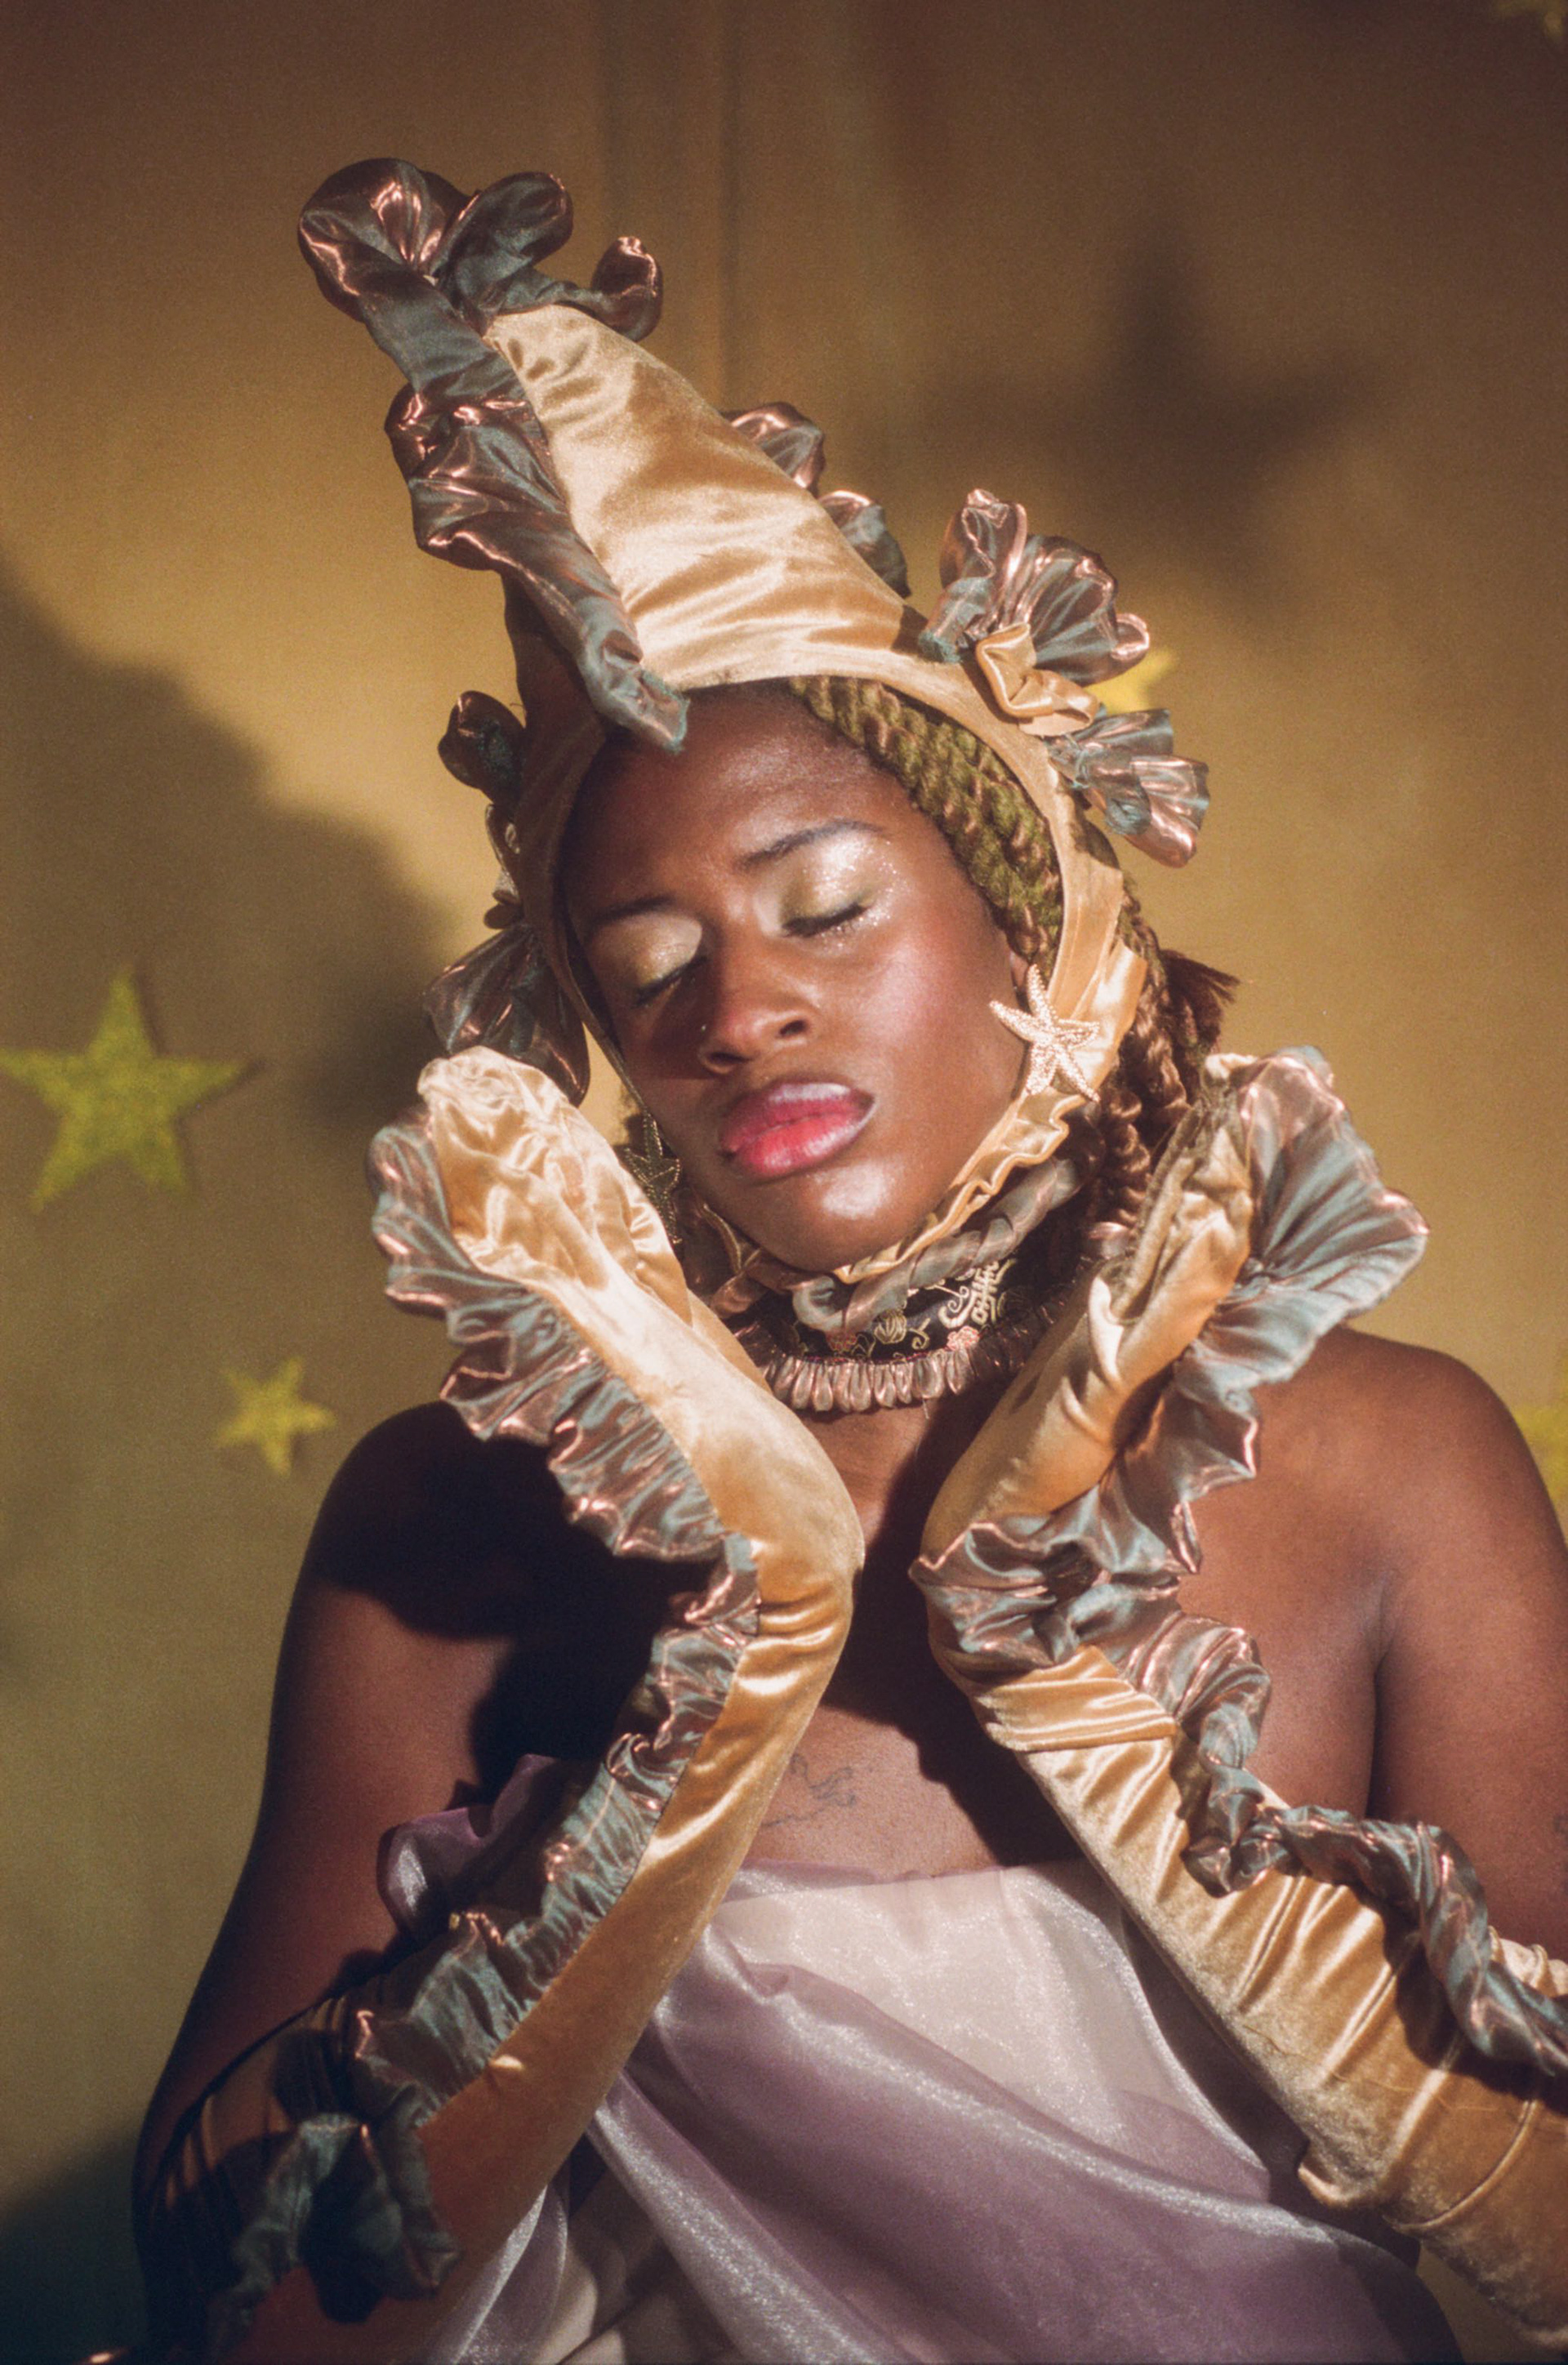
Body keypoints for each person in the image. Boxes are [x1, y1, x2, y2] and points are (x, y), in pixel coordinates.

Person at [134, 160, 1568, 2363]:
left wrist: (1176, 1835)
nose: (739, 1008)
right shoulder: (449, 1517)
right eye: (647, 960)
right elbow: (230, 2317)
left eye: (823, 906)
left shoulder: (1387, 1463)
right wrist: (694, 1742)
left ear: (1034, 922)